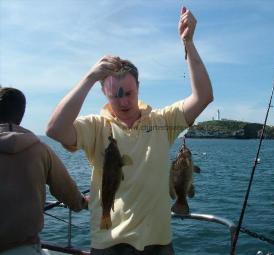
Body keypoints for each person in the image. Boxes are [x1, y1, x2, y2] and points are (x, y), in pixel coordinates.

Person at [46, 6, 213, 255]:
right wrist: (90, 77)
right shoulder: (95, 126)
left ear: (139, 87)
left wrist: (188, 42)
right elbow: (55, 129)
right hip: (109, 243)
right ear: (104, 93)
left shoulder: (162, 121)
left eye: (130, 93)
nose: (124, 102)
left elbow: (203, 97)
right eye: (115, 95)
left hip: (158, 241)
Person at [0, 87, 88, 254]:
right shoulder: (40, 149)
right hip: (24, 248)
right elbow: (66, 190)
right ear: (22, 113)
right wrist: (83, 202)